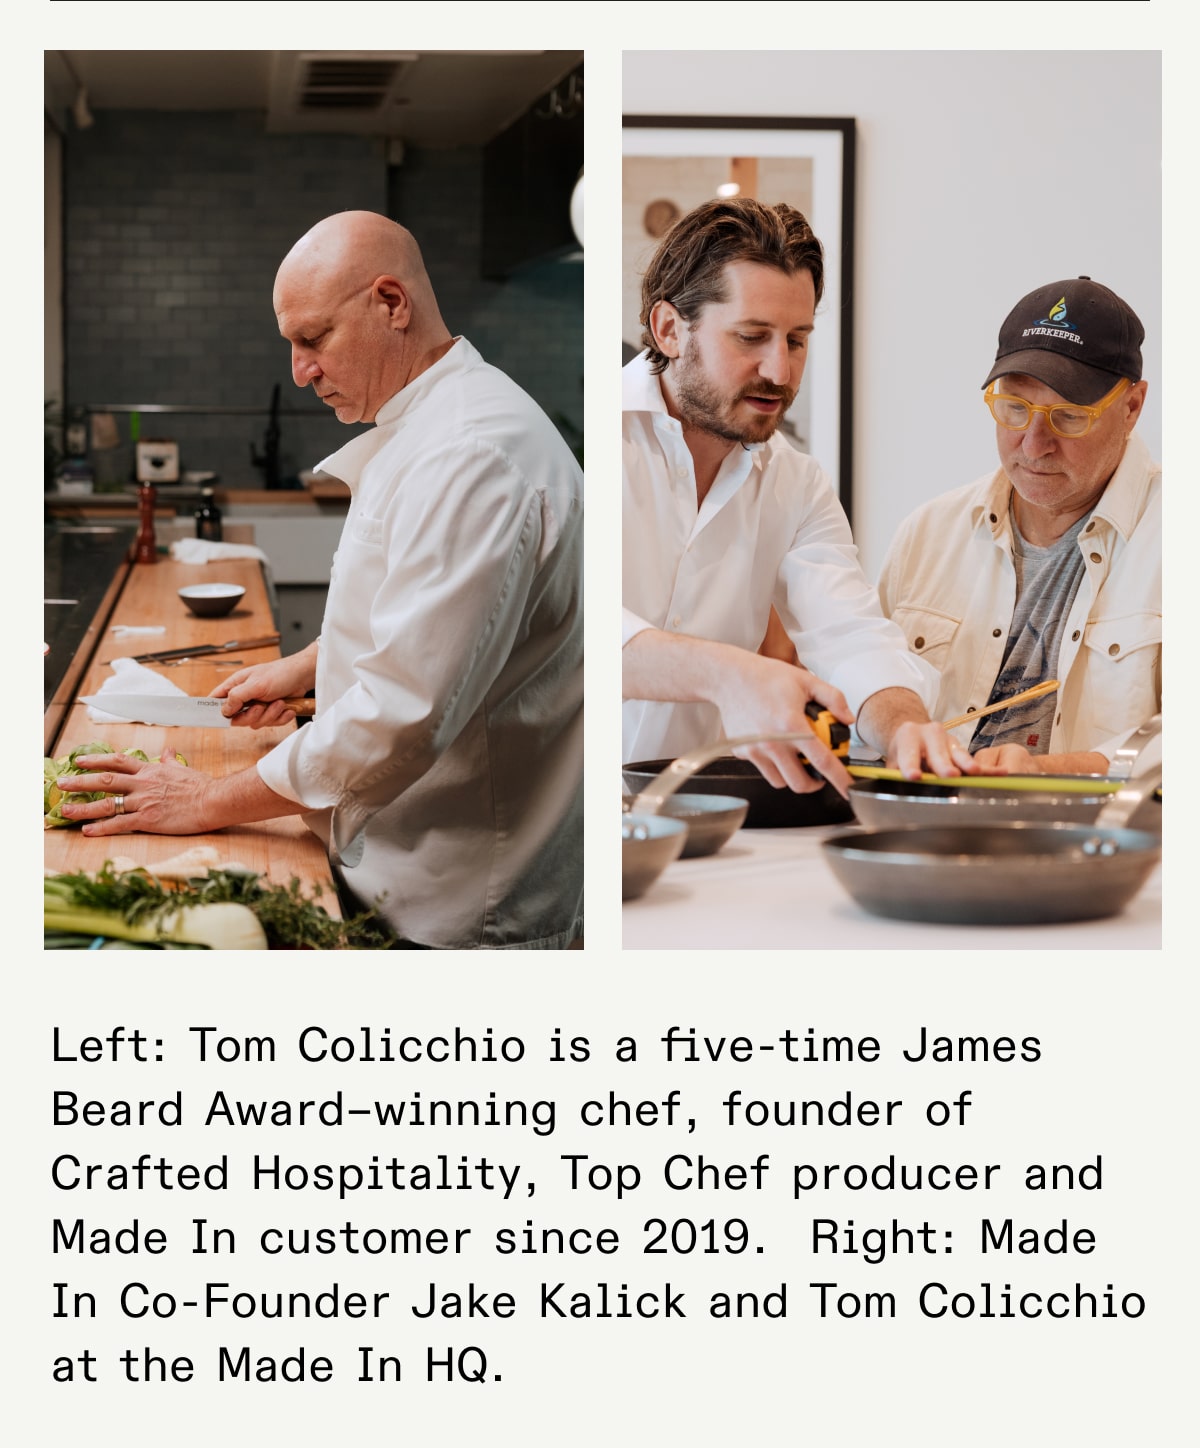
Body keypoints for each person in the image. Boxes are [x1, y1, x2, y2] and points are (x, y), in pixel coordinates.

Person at [60, 211, 584, 949]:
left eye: (314, 339)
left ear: (391, 304)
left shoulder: (473, 454)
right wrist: (313, 666)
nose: (301, 370)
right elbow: (438, 624)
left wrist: (207, 800)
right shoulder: (430, 424)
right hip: (402, 862)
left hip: (457, 906)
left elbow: (402, 712)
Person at [623, 196, 978, 793]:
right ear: (669, 329)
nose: (781, 372)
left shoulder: (796, 482)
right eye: (752, 337)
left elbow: (851, 632)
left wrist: (904, 726)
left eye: (796, 340)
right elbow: (573, 629)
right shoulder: (580, 443)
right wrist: (728, 674)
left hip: (705, 821)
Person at [877, 277, 1159, 775]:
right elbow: (859, 700)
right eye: (1014, 409)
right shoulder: (928, 534)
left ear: (1132, 406)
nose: (1033, 445)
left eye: (1069, 417)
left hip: (1104, 843)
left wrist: (1054, 770)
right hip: (931, 833)